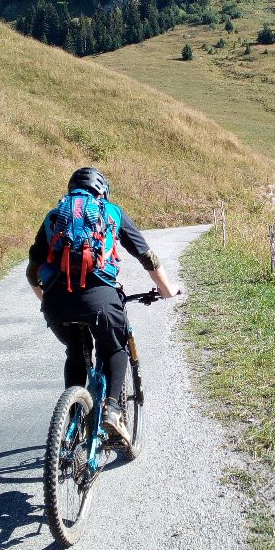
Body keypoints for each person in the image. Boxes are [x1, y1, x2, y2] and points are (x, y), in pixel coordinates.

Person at [26, 167, 179, 444]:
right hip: (100, 300)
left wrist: (46, 302)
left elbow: (31, 272)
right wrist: (166, 290)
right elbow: (147, 255)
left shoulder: (53, 217)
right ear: (103, 191)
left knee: (75, 350)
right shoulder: (111, 212)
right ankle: (112, 409)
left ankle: (71, 420)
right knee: (114, 350)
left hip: (56, 303)